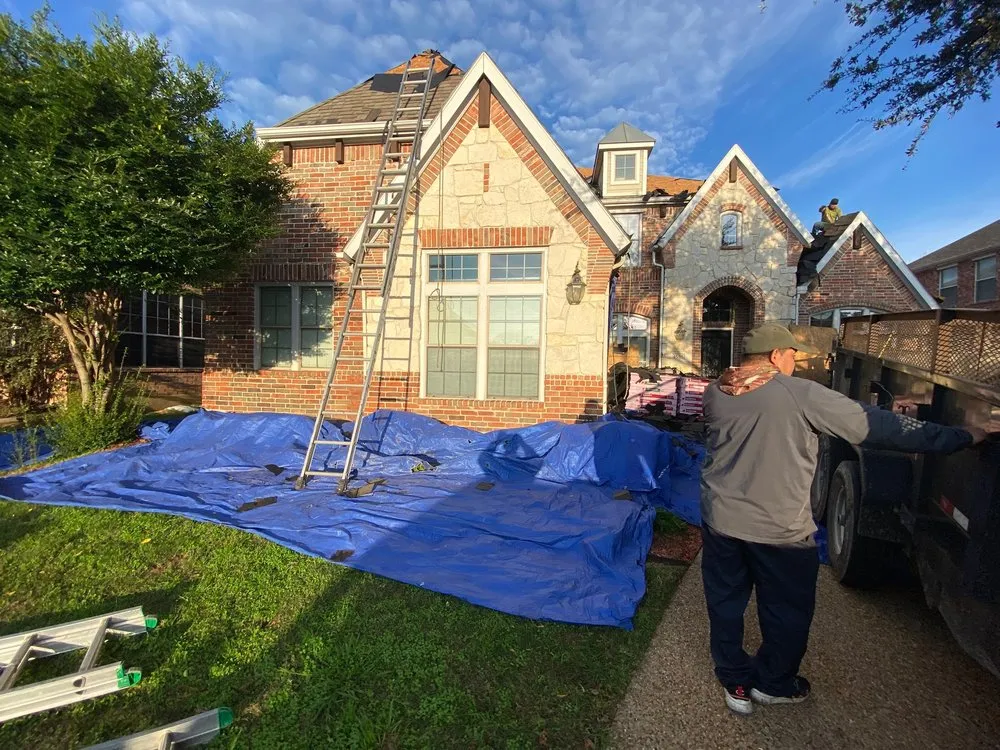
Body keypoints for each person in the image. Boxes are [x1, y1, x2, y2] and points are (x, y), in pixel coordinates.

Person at [700, 322, 981, 716]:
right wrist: (961, 436)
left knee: (725, 603)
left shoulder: (717, 390)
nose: (795, 362)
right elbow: (875, 427)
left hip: (721, 521)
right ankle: (774, 684)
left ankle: (734, 680)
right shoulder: (799, 394)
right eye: (793, 355)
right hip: (778, 530)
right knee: (786, 610)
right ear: (777, 355)